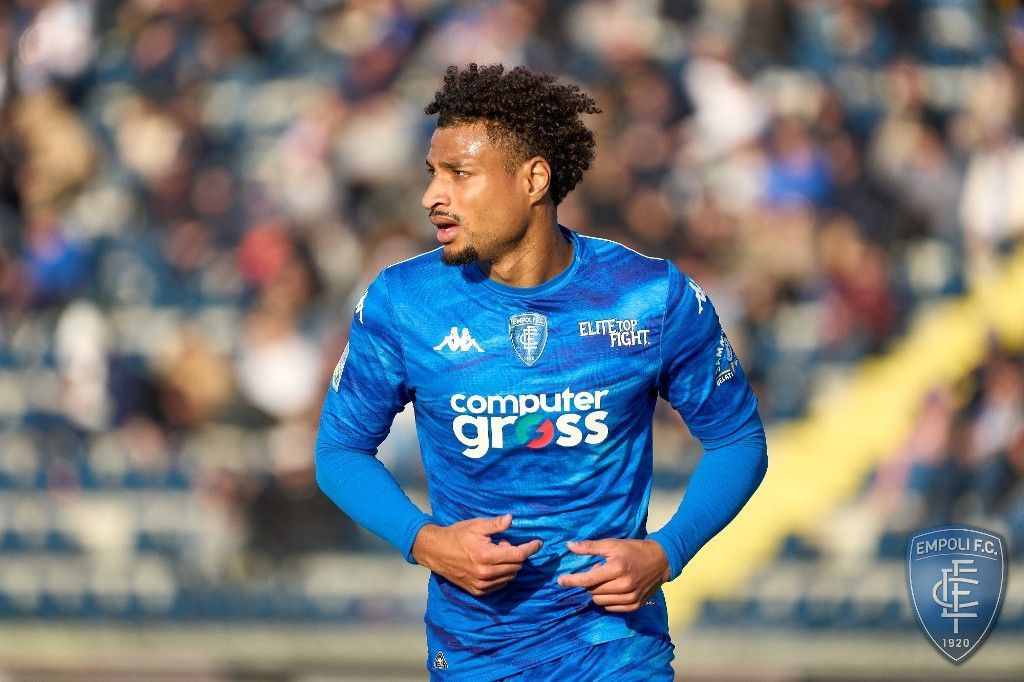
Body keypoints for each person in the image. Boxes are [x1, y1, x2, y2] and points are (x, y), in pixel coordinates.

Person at [315, 63, 768, 680]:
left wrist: (668, 550)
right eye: (432, 174)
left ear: (532, 179)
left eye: (459, 174)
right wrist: (425, 541)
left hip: (614, 650)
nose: (432, 197)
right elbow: (339, 451)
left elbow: (737, 439)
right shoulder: (403, 302)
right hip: (474, 652)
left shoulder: (648, 298)